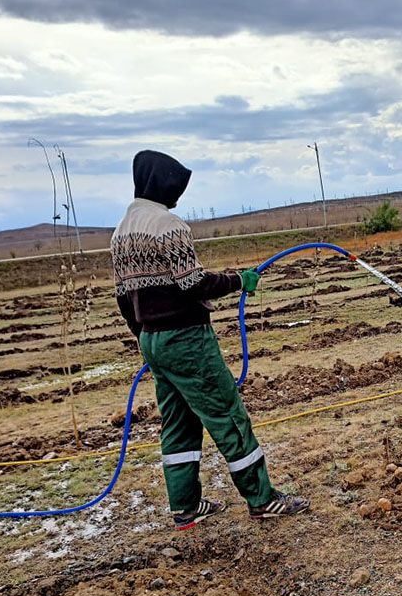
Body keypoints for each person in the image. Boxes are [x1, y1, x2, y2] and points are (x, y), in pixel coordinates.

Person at [110, 150, 309, 530]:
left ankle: (185, 507)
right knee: (226, 413)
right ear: (161, 184)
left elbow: (124, 298)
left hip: (154, 341)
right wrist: (239, 281)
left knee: (179, 422)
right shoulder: (168, 225)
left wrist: (147, 342)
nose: (179, 196)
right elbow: (193, 283)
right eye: (175, 187)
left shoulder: (121, 232)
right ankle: (263, 500)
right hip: (186, 339)